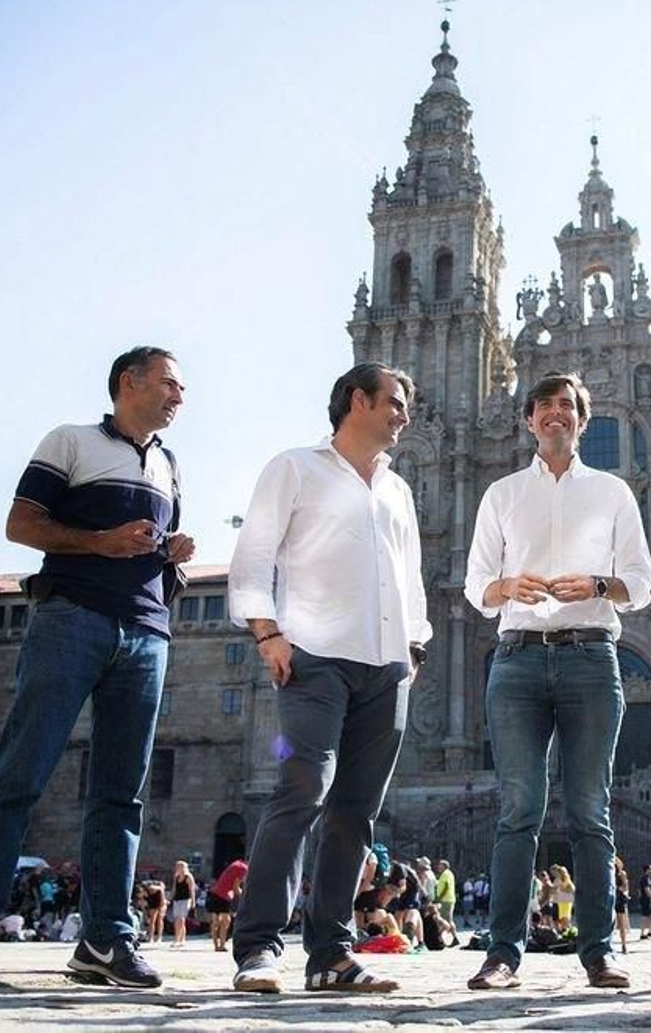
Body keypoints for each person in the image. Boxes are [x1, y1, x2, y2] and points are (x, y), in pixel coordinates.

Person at [0, 346, 194, 989]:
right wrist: (100, 542)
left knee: (121, 794)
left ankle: (105, 939)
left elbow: (152, 547)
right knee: (19, 774)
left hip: (146, 633)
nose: (179, 396)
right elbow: (21, 524)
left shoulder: (167, 463)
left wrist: (171, 552)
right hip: (72, 617)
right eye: (170, 383)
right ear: (129, 382)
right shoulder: (71, 441)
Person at [226, 363, 431, 994]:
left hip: (387, 665)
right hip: (313, 658)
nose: (404, 415)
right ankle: (258, 947)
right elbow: (253, 556)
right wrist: (267, 632)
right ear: (358, 400)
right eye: (395, 402)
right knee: (302, 790)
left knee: (356, 812)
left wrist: (415, 648)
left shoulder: (397, 489)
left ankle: (331, 955)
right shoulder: (295, 467)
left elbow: (410, 574)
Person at [461, 372, 651, 992]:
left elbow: (641, 584)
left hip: (591, 656)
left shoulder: (612, 492)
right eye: (544, 405)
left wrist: (598, 585)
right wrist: (505, 587)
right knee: (518, 811)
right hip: (516, 659)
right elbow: (475, 587)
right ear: (529, 420)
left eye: (566, 406)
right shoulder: (501, 494)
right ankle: (501, 955)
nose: (555, 414)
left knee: (590, 810)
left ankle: (599, 952)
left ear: (581, 421)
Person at [206, 859, 247, 952]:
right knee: (226, 921)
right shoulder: (244, 869)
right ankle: (222, 946)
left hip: (214, 893)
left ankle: (216, 946)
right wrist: (245, 896)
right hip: (223, 896)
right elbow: (235, 888)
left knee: (215, 921)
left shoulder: (236, 864)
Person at [169, 861, 196, 948]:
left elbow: (192, 890)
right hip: (177, 900)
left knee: (180, 919)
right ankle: (181, 939)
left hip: (185, 899)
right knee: (178, 920)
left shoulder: (188, 877)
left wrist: (193, 901)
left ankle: (177, 939)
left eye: (180, 867)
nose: (178, 868)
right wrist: (170, 898)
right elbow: (174, 888)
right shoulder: (176, 877)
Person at [637, 864, 651, 941]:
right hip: (646, 901)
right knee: (647, 917)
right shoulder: (645, 879)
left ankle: (647, 932)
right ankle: (644, 933)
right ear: (647, 870)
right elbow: (647, 890)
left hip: (647, 900)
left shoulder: (647, 878)